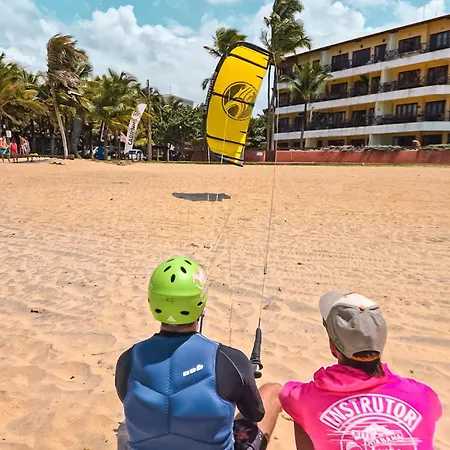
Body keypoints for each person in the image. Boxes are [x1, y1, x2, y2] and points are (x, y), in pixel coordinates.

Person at [115, 256, 282, 450]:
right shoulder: (231, 360)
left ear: (152, 301)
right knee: (273, 391)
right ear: (201, 302)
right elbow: (255, 414)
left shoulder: (127, 360)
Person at [279, 290, 443, 450]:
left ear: (332, 346)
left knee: (299, 413)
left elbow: (285, 395)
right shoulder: (424, 394)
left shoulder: (307, 397)